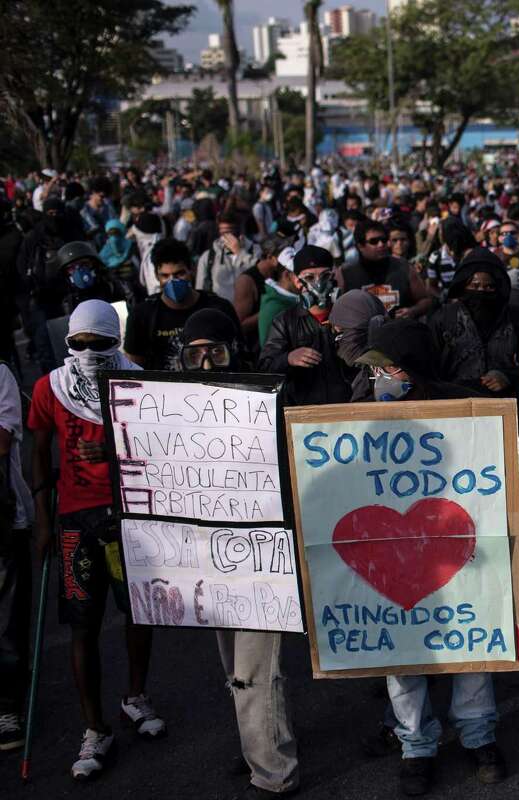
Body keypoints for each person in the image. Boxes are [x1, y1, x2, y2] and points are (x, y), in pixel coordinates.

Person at [353, 320, 505, 797]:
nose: (380, 380)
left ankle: (479, 737)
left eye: (389, 368)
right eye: (376, 371)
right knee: (403, 651)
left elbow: (493, 463)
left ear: (413, 367)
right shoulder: (352, 419)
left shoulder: (466, 408)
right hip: (393, 556)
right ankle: (415, 746)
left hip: (460, 551)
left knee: (471, 644)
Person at [27, 300, 164, 780]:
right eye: (78, 344)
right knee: (82, 623)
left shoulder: (137, 379)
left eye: (99, 344)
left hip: (129, 513)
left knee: (138, 611)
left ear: (116, 342)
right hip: (75, 520)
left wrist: (111, 447)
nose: (88, 352)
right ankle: (93, 727)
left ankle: (136, 696)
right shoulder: (51, 387)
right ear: (68, 343)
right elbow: (38, 450)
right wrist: (43, 518)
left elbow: (162, 443)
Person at [176, 309, 300, 799]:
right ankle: (261, 745)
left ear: (235, 349)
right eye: (195, 354)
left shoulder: (262, 396)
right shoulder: (173, 404)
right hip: (207, 558)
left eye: (217, 352)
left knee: (255, 670)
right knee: (236, 670)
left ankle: (273, 773)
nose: (206, 364)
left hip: (259, 555)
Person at [259, 245, 353, 407]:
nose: (318, 283)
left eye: (325, 276)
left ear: (333, 277)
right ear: (296, 281)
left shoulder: (350, 315)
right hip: (304, 413)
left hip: (347, 408)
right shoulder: (285, 321)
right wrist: (288, 359)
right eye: (309, 277)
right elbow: (265, 368)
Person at [124, 239, 240, 371]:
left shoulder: (219, 307)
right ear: (157, 276)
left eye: (179, 273)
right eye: (165, 276)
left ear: (191, 270)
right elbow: (133, 368)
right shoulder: (142, 315)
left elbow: (239, 356)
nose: (172, 281)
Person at [426, 248, 519, 397]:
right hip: (455, 403)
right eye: (475, 286)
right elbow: (429, 367)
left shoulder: (516, 319)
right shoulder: (443, 319)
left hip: (506, 402)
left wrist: (508, 376)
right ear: (464, 286)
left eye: (489, 287)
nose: (481, 291)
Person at [0, 358, 34, 750]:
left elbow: (2, 439)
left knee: (8, 620)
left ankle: (7, 705)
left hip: (5, 518)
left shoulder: (1, 375)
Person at [340, 219, 433, 318]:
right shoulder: (346, 273)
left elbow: (425, 300)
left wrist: (412, 311)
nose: (381, 244)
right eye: (374, 241)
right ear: (360, 246)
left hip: (399, 329)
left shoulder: (404, 267)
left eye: (384, 240)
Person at [233, 235, 287, 350]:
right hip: (258, 349)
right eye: (284, 255)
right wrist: (271, 310)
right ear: (271, 257)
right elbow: (241, 324)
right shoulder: (246, 281)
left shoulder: (282, 274)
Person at [196, 210, 261, 303]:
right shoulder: (208, 256)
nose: (227, 238)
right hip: (220, 311)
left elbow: (262, 276)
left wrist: (240, 254)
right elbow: (200, 290)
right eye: (223, 233)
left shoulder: (255, 251)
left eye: (231, 233)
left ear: (240, 232)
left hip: (248, 310)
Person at [97, 219, 143, 308]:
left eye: (116, 233)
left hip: (136, 288)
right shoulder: (104, 254)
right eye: (111, 234)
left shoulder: (131, 248)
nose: (114, 238)